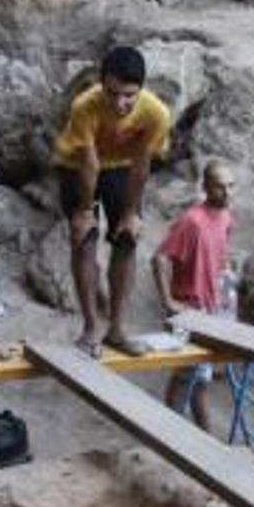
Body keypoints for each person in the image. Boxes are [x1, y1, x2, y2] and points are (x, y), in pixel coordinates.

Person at [55, 46, 172, 358]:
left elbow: (142, 165)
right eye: (112, 93)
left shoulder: (156, 113)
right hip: (77, 165)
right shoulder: (85, 105)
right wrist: (82, 212)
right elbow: (89, 164)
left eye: (129, 95)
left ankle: (117, 329)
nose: (119, 103)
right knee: (85, 240)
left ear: (142, 89)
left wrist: (131, 213)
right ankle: (91, 327)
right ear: (101, 83)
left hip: (122, 167)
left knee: (127, 239)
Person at [152, 160, 236, 432]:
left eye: (231, 186)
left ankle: (206, 440)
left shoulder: (225, 217)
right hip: (188, 311)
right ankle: (169, 441)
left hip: (210, 312)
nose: (227, 193)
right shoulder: (192, 222)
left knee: (200, 380)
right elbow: (160, 259)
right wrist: (168, 302)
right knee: (183, 379)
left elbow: (222, 257)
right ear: (206, 187)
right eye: (220, 187)